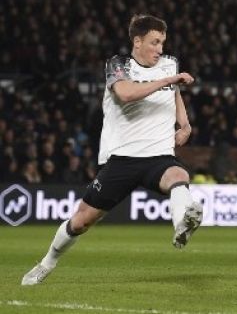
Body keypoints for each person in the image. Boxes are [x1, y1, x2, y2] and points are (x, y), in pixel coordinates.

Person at [22, 14, 203, 285]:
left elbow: (175, 93)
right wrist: (170, 80)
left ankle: (181, 225)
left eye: (162, 42)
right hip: (122, 159)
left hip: (159, 155)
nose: (160, 49)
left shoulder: (169, 65)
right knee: (81, 222)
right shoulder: (118, 65)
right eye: (155, 42)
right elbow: (126, 93)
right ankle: (47, 262)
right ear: (138, 41)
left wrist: (185, 124)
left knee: (179, 177)